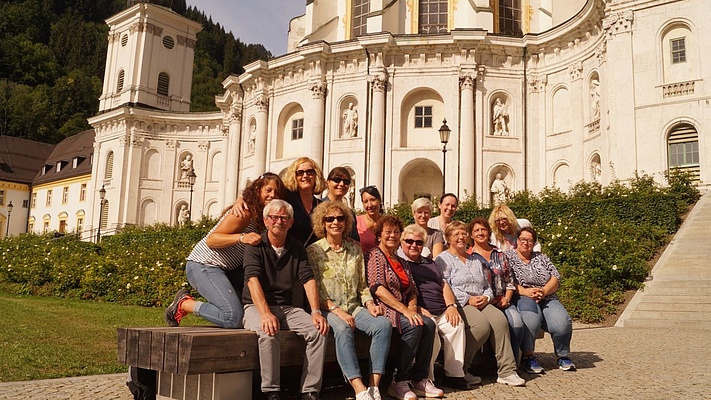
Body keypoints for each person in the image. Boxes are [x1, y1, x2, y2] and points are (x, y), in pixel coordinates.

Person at [164, 173, 287, 328]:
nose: (272, 195)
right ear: (258, 190)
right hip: (204, 265)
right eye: (268, 190)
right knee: (233, 317)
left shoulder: (263, 215)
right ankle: (184, 304)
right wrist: (242, 238)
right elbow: (212, 239)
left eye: (276, 193)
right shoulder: (245, 212)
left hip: (228, 270)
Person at [242, 199, 329, 400]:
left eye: (284, 218)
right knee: (269, 332)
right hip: (256, 306)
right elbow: (252, 280)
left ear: (291, 222)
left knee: (319, 330)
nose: (279, 221)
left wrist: (316, 312)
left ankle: (309, 391)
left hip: (288, 308)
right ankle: (271, 391)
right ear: (266, 221)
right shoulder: (255, 245)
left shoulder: (297, 248)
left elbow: (308, 279)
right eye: (274, 217)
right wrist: (265, 314)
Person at [307, 201, 391, 400]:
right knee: (343, 329)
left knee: (383, 324)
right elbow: (315, 291)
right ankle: (358, 387)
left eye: (340, 218)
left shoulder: (355, 248)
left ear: (346, 222)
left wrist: (370, 304)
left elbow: (362, 285)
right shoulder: (314, 251)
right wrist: (338, 311)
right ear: (323, 222)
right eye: (330, 219)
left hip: (354, 307)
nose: (335, 222)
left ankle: (374, 386)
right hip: (328, 309)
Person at [435, 221, 525, 387]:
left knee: (500, 321)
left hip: (482, 300)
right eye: (456, 234)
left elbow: (486, 285)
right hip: (460, 303)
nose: (461, 237)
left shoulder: (475, 259)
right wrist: (467, 299)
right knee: (481, 326)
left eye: (463, 233)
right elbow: (445, 285)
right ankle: (459, 368)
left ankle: (507, 371)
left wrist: (487, 297)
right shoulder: (443, 259)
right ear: (448, 238)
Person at [366, 216, 444, 400]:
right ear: (379, 235)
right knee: (414, 325)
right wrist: (405, 310)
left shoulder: (400, 260)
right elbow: (377, 288)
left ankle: (419, 379)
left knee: (429, 324)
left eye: (396, 232)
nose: (392, 235)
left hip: (402, 308)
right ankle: (398, 380)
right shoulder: (375, 255)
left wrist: (412, 306)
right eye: (388, 232)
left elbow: (413, 290)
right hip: (385, 308)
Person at [399, 224, 479, 391]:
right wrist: (417, 308)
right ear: (402, 242)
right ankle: (426, 378)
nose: (414, 245)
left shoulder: (430, 262)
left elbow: (444, 285)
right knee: (432, 330)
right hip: (421, 310)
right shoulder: (401, 263)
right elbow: (402, 292)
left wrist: (451, 306)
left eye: (419, 242)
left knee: (456, 325)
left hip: (442, 309)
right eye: (409, 241)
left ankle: (454, 375)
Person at [506, 227, 575, 374]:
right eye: (522, 239)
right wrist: (525, 291)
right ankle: (528, 356)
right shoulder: (508, 257)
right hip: (522, 296)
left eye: (530, 240)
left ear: (534, 242)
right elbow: (506, 281)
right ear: (517, 241)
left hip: (546, 296)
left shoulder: (541, 257)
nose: (526, 243)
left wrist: (544, 291)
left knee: (562, 322)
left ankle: (563, 355)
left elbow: (555, 277)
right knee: (530, 319)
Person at [468, 218, 524, 363]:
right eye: (476, 230)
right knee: (488, 325)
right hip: (482, 303)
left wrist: (507, 298)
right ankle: (488, 361)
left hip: (502, 300)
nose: (480, 233)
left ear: (488, 232)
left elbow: (510, 280)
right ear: (471, 235)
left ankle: (514, 359)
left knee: (517, 323)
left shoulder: (499, 254)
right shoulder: (468, 256)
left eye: (483, 229)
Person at [282, 157, 328, 247]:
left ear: (316, 176)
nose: (305, 176)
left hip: (313, 257)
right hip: (289, 256)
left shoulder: (321, 206)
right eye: (300, 173)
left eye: (310, 172)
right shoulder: (286, 199)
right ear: (294, 176)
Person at [323, 167, 360, 242]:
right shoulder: (317, 207)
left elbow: (354, 241)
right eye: (337, 180)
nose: (342, 184)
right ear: (328, 182)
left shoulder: (350, 214)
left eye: (346, 182)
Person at [357, 185, 383, 254]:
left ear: (380, 201)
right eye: (365, 201)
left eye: (373, 200)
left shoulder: (387, 223)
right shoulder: (356, 222)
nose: (370, 205)